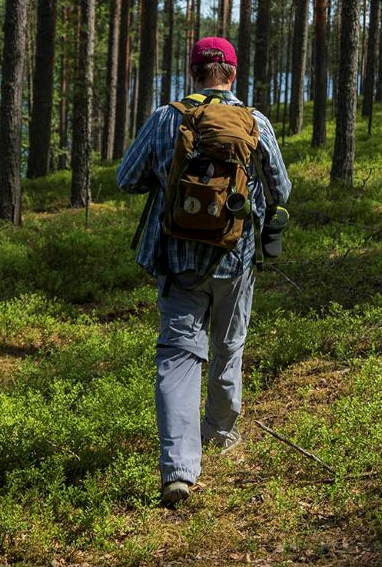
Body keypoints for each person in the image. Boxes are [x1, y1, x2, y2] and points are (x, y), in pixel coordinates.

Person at [116, 37, 291, 508]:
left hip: (176, 258)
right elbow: (282, 189)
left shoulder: (165, 117)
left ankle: (178, 470)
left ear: (192, 72)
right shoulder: (255, 122)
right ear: (232, 75)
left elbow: (126, 177)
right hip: (235, 259)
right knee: (228, 345)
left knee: (177, 354)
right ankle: (220, 434)